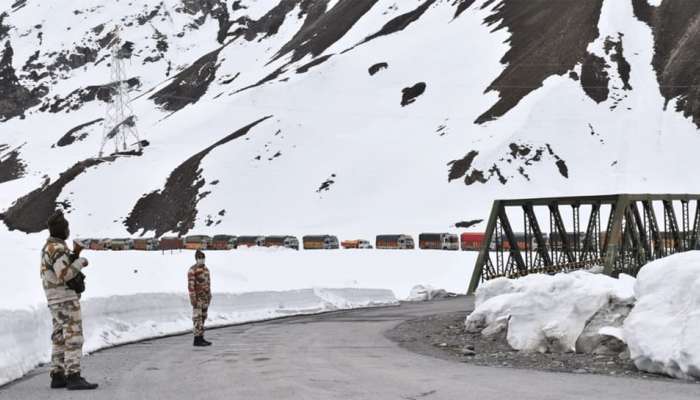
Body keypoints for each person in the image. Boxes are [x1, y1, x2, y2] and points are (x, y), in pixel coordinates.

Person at [40, 211, 98, 390]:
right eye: (67, 227)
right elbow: (64, 274)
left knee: (59, 337)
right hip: (65, 298)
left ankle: (58, 374)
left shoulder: (49, 248)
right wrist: (81, 262)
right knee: (73, 336)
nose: (68, 231)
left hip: (54, 299)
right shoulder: (57, 249)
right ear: (62, 229)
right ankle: (74, 376)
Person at [188, 250, 212, 347]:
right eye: (200, 258)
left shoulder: (206, 269)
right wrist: (193, 298)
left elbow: (208, 283)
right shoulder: (192, 270)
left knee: (203, 318)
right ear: (196, 259)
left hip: (205, 298)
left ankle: (201, 337)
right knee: (197, 319)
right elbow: (191, 286)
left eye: (203, 258)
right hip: (197, 298)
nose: (202, 260)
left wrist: (209, 295)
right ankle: (196, 339)